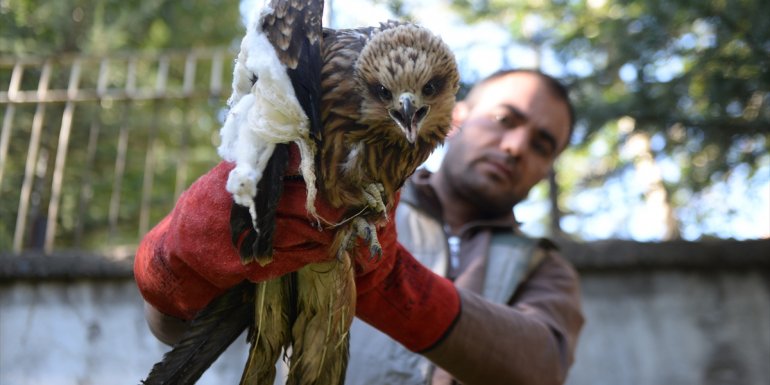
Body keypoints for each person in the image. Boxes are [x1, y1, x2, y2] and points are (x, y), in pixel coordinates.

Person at [134, 69, 584, 385]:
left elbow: (541, 368)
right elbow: (174, 330)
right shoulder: (341, 191)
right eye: (505, 119)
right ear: (457, 114)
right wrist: (178, 261)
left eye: (542, 145)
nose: (515, 147)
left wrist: (392, 284)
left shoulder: (544, 267)